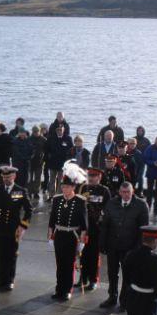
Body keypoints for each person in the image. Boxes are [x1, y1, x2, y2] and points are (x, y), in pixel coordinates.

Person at [99, 182, 149, 310]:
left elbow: (143, 230)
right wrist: (102, 243)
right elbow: (105, 225)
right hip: (113, 245)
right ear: (119, 192)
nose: (125, 195)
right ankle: (112, 297)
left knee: (128, 275)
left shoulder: (141, 205)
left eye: (128, 192)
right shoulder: (111, 203)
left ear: (132, 192)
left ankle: (124, 301)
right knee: (112, 273)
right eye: (123, 192)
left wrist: (138, 248)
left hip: (130, 247)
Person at [0, 165, 32, 291]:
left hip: (13, 229)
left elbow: (29, 210)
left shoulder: (20, 191)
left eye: (8, 177)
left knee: (11, 255)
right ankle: (0, 279)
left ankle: (10, 280)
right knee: (1, 255)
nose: (5, 179)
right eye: (3, 177)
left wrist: (22, 226)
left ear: (14, 176)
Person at [48, 167, 88, 301]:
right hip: (59, 235)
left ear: (73, 188)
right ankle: (59, 288)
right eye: (63, 187)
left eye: (67, 187)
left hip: (72, 236)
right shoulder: (57, 199)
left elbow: (84, 224)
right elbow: (52, 219)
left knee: (69, 264)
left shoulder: (80, 201)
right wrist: (50, 236)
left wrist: (82, 242)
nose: (64, 189)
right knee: (59, 263)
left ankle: (67, 290)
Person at [79, 167, 110, 290]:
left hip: (96, 228)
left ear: (99, 177)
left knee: (93, 255)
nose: (91, 178)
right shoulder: (82, 189)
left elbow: (107, 209)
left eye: (94, 176)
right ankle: (83, 277)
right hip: (83, 227)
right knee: (82, 254)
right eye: (89, 176)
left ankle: (93, 279)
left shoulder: (104, 191)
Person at [45, 125, 73, 194]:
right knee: (52, 180)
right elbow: (46, 150)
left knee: (61, 181)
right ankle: (51, 195)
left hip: (63, 164)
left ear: (63, 130)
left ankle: (58, 195)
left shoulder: (68, 138)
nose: (59, 131)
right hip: (53, 163)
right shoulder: (51, 138)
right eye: (58, 130)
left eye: (60, 129)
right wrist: (48, 160)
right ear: (55, 130)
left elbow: (72, 150)